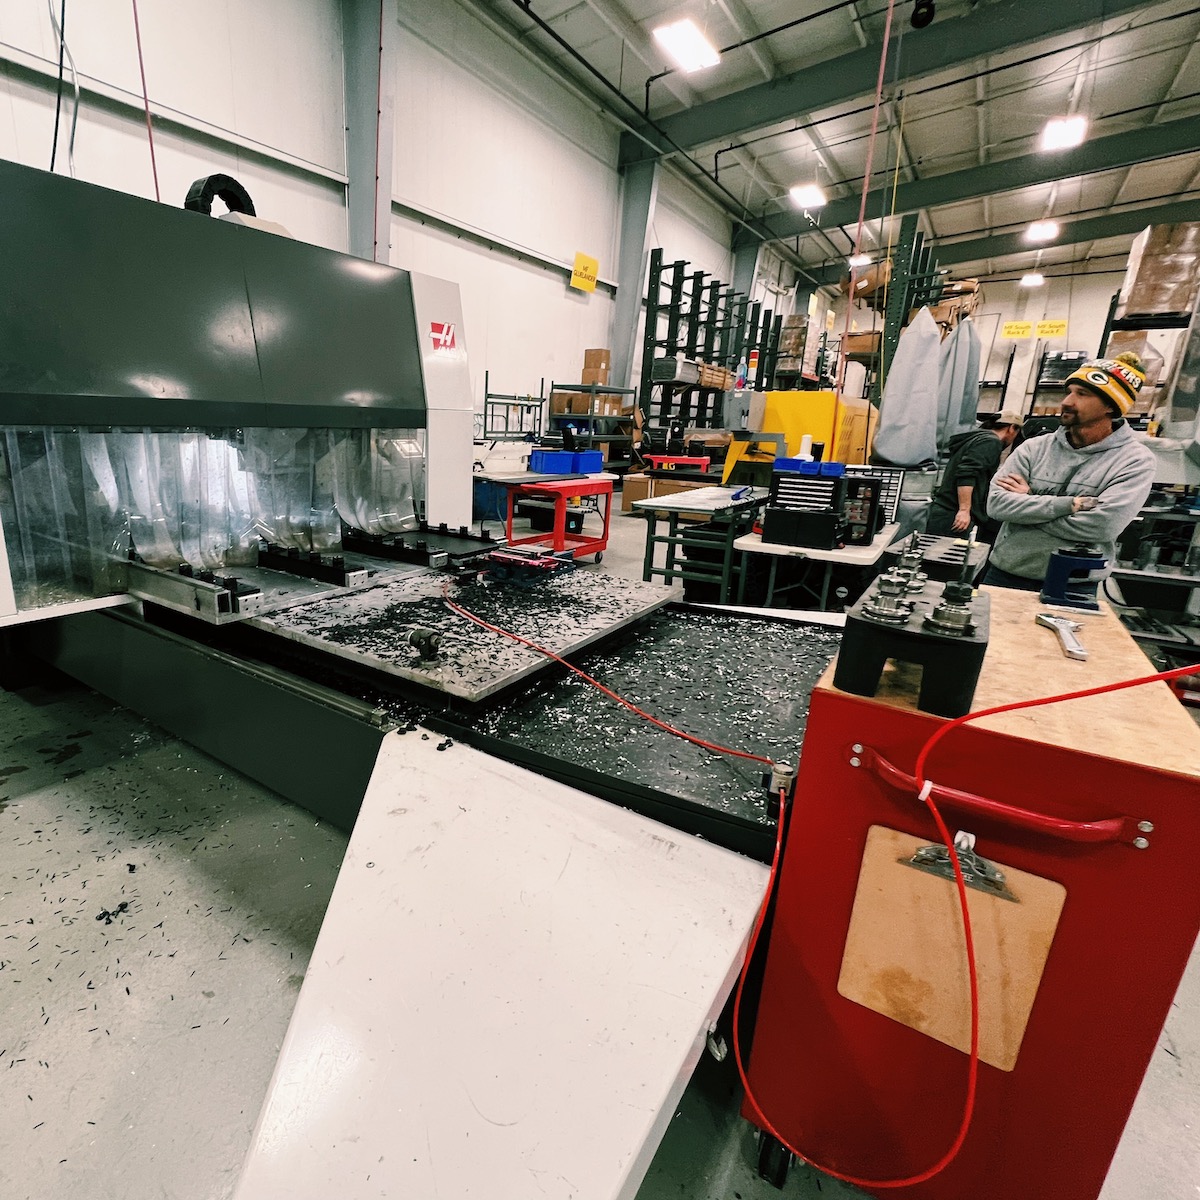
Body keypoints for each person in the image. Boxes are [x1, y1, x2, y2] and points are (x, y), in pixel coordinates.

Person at [982, 351, 1156, 590]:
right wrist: (1066, 506)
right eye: (1069, 392)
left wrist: (1028, 504)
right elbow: (997, 505)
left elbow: (1102, 526)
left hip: (1074, 584)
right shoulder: (1033, 449)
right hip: (1006, 574)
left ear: (1110, 406)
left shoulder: (1134, 461)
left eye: (1082, 394)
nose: (1067, 401)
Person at [926, 411, 1024, 542]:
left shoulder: (976, 439)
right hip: (954, 514)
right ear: (1012, 428)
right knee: (945, 558)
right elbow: (967, 473)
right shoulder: (990, 442)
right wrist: (964, 510)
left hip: (945, 512)